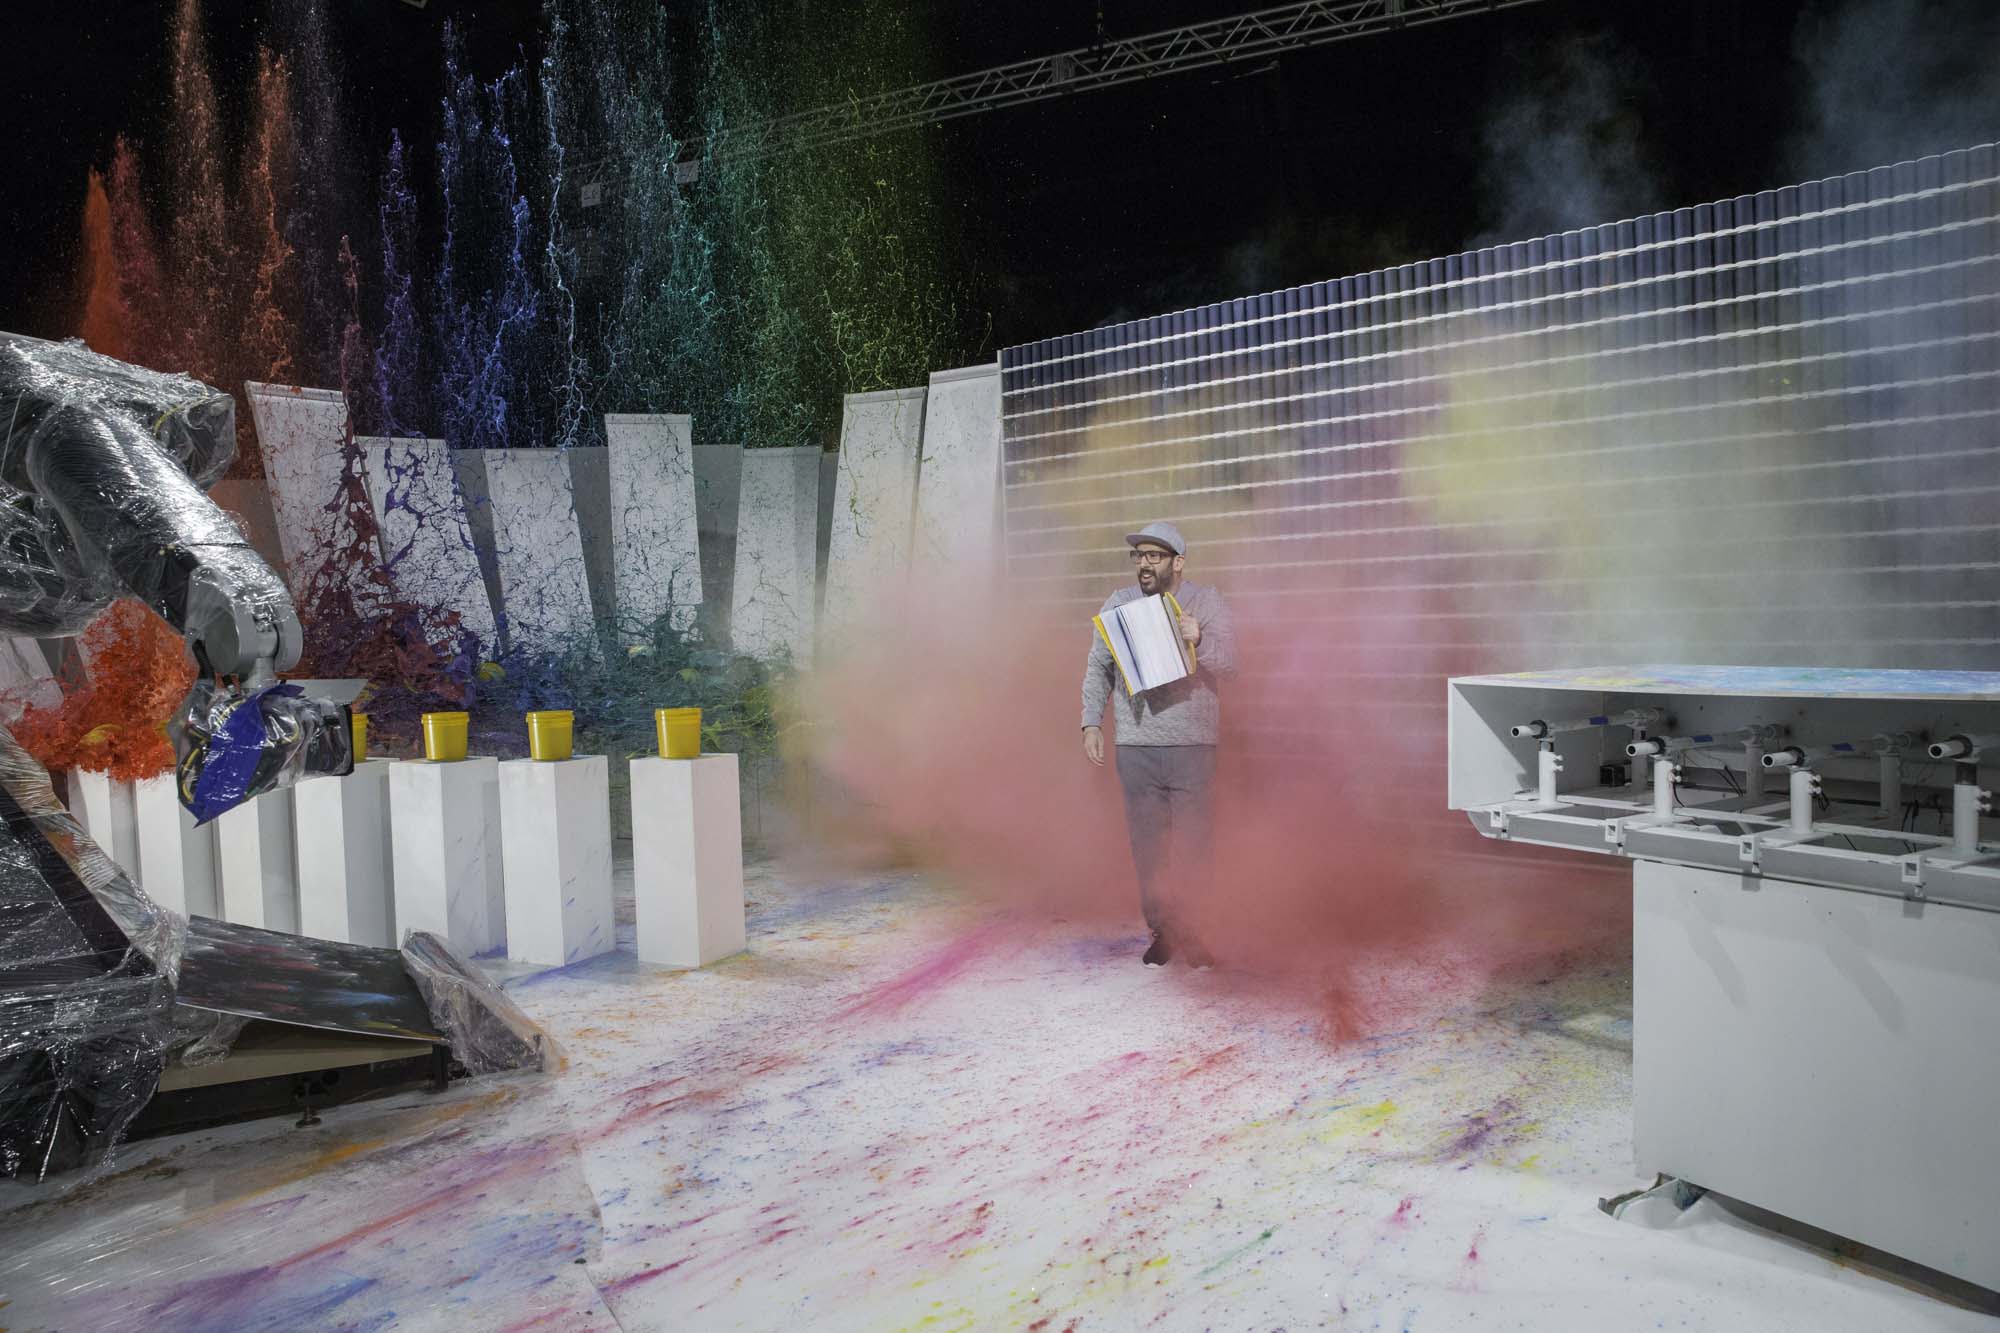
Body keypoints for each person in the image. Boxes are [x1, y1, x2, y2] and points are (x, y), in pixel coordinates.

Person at [1080, 520, 1238, 967]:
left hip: (1193, 747)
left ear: (1178, 562)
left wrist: (1199, 639)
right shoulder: (1119, 603)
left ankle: (1195, 929)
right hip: (1136, 747)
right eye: (1139, 556)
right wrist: (1091, 722)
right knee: (1149, 848)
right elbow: (1098, 667)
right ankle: (1163, 931)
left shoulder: (1206, 602)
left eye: (1154, 556)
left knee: (1194, 846)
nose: (1144, 564)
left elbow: (1232, 665)